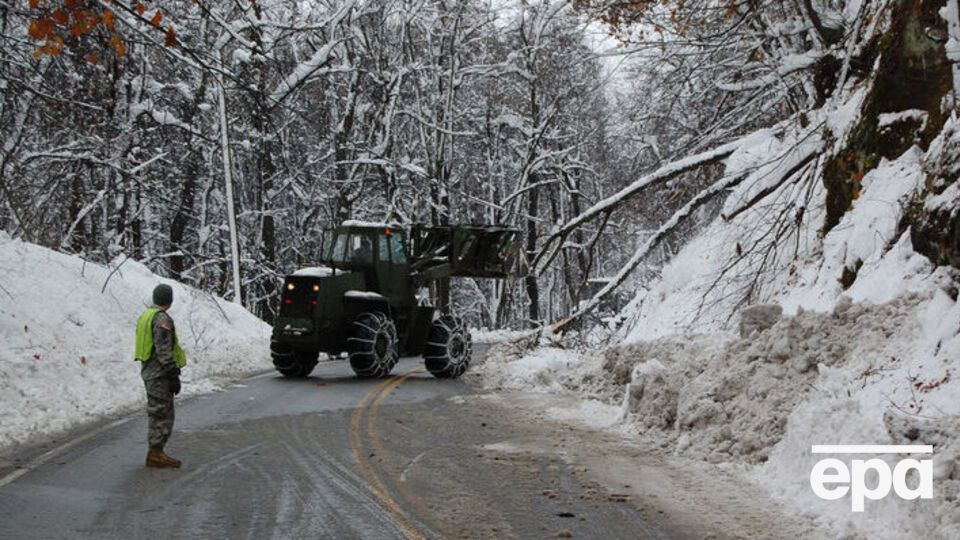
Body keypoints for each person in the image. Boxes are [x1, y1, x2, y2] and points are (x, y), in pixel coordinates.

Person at [134, 284, 188, 468]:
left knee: (157, 412)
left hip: (149, 371)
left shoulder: (146, 315)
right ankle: (156, 453)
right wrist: (173, 374)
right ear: (169, 300)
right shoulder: (162, 319)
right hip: (159, 374)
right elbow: (163, 350)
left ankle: (155, 452)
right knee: (162, 414)